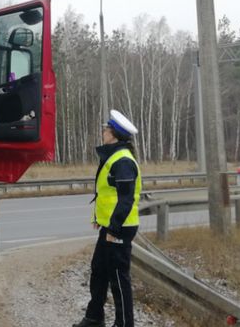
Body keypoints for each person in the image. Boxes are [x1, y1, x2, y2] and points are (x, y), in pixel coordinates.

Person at [72, 110, 142, 327]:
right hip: (110, 226)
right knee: (99, 270)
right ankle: (94, 318)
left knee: (119, 278)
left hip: (120, 227)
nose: (103, 131)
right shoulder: (113, 156)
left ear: (113, 134)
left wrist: (113, 228)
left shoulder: (123, 161)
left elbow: (125, 199)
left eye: (105, 128)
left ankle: (124, 324)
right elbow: (105, 193)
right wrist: (100, 219)